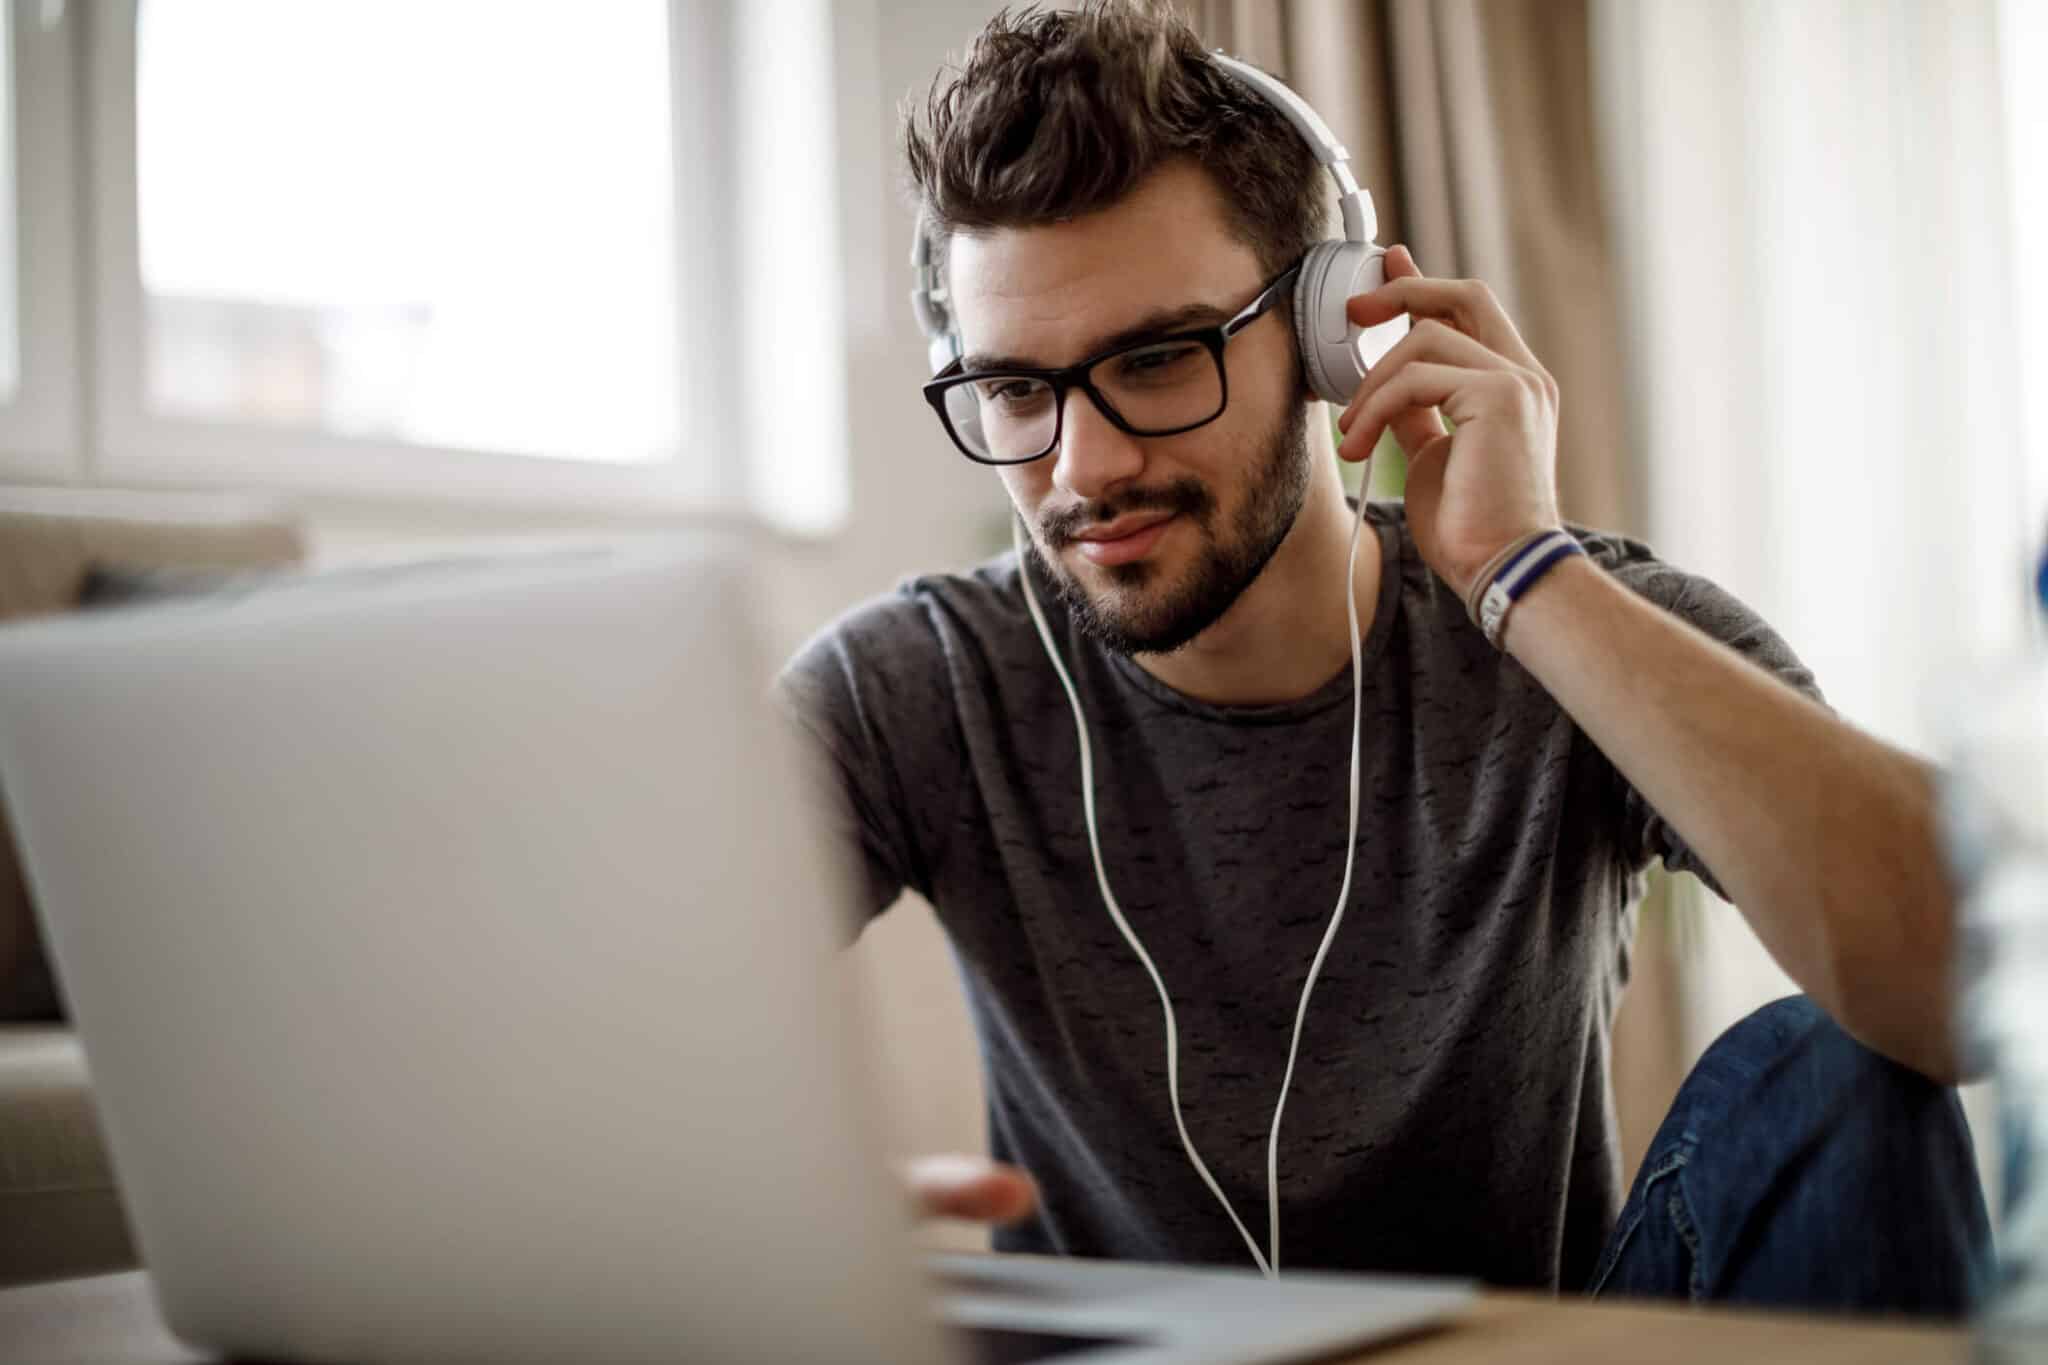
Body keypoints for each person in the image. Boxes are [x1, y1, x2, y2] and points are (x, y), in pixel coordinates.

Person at [778, 0, 1990, 1314]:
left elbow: (1965, 986)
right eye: (1018, 388)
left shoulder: (1576, 623)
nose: (1087, 465)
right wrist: (761, 1200)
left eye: (1158, 356)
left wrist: (1523, 574)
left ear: (1332, 331)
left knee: (1832, 1070)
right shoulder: (927, 685)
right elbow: (590, 1024)